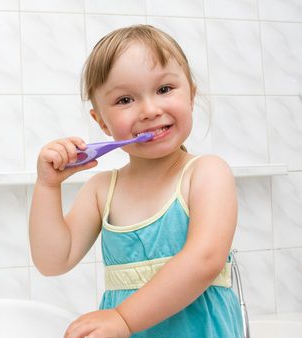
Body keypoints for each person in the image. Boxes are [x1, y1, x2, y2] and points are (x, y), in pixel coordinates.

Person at [29, 25, 243, 338]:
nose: (150, 110)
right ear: (101, 121)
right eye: (126, 99)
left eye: (165, 89)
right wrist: (47, 186)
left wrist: (124, 319)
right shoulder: (102, 191)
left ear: (192, 95)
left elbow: (205, 260)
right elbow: (53, 261)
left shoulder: (207, 173)